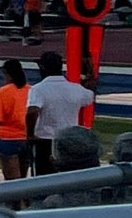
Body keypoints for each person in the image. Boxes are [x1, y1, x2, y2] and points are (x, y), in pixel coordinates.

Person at [26, 50, 93, 178]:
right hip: (69, 139)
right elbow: (90, 93)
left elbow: (32, 111)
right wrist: (89, 70)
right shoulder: (75, 88)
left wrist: (30, 134)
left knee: (44, 179)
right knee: (67, 177)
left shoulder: (38, 89)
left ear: (42, 68)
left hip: (45, 140)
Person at [0, 59, 31, 180]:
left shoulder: (3, 92)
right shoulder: (31, 90)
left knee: (11, 182)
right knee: (22, 180)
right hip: (27, 138)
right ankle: (25, 199)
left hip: (8, 138)